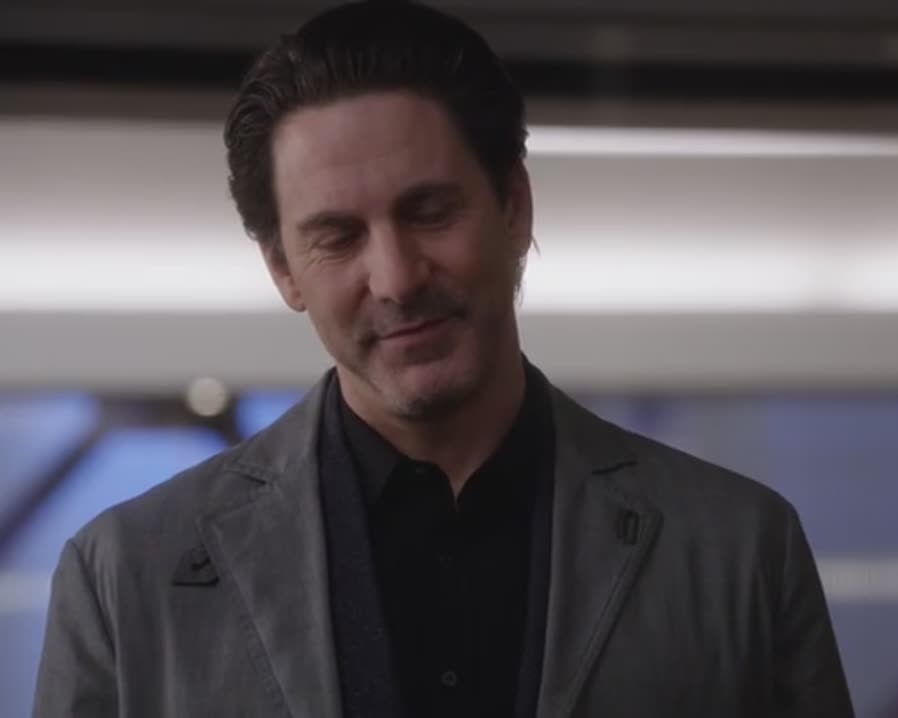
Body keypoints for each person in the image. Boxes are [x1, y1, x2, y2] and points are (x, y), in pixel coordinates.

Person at [33, 2, 855, 716]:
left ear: (514, 207)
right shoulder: (123, 581)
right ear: (283, 269)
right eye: (337, 237)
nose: (396, 279)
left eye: (428, 211)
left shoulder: (739, 550)